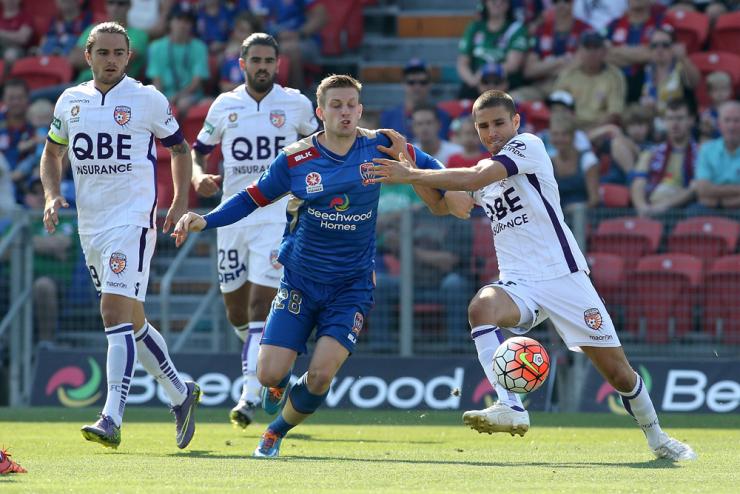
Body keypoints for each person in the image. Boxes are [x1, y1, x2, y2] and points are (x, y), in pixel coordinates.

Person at [368, 89, 697, 462]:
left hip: (564, 278)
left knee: (620, 375)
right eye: (483, 126)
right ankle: (510, 405)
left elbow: (477, 176)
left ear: (515, 123)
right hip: (519, 283)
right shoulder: (481, 177)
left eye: (498, 123)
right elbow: (443, 204)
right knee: (481, 308)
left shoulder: (529, 147)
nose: (492, 132)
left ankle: (658, 438)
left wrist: (412, 168)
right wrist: (408, 161)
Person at [172, 74, 474, 458]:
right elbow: (252, 197)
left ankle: (276, 431)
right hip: (300, 281)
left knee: (319, 375)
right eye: (336, 105)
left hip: (352, 286)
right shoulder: (297, 159)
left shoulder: (381, 145)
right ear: (320, 112)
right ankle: (277, 386)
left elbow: (429, 165)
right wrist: (206, 219)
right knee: (267, 373)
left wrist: (453, 190)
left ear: (360, 110)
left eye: (351, 105)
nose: (345, 112)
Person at [40, 22, 200, 450]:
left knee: (112, 313)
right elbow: (53, 151)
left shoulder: (147, 99)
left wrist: (181, 199)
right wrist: (52, 196)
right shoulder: (70, 100)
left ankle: (111, 416)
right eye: (103, 52)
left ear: (129, 57)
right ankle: (181, 394)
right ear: (87, 55)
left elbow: (180, 149)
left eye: (119, 53)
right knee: (131, 319)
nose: (111, 60)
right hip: (91, 224)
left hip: (132, 219)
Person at [191, 32, 319, 429]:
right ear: (242, 63)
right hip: (233, 216)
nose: (263, 67)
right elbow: (199, 150)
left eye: (269, 61)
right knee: (236, 311)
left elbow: (319, 143)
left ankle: (248, 394)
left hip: (276, 216)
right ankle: (274, 372)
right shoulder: (225, 105)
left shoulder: (295, 103)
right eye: (256, 60)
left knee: (260, 306)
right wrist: (198, 177)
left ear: (277, 65)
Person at [630, 98, 697, 217]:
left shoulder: (701, 153)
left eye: (680, 118)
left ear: (691, 120)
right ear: (664, 122)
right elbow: (638, 183)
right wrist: (642, 207)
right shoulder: (651, 153)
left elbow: (695, 188)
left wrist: (664, 206)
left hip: (680, 209)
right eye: (670, 118)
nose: (674, 124)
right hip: (651, 207)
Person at [554, 31, 627, 129]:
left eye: (596, 48)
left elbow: (614, 113)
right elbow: (557, 106)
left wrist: (591, 132)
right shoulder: (569, 73)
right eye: (587, 48)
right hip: (571, 129)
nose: (591, 53)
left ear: (604, 51)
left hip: (600, 129)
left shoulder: (615, 75)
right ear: (579, 51)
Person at [145, 3, 209, 115]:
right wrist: (161, 101)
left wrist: (177, 97)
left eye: (187, 21)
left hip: (191, 96)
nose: (183, 25)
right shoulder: (156, 47)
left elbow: (196, 83)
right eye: (179, 19)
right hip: (165, 94)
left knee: (191, 103)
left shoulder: (200, 47)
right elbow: (157, 81)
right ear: (170, 22)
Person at [457, 0, 529, 99]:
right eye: (493, 1)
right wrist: (473, 81)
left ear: (508, 4)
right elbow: (462, 63)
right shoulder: (474, 27)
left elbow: (513, 65)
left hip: (505, 84)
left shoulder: (516, 29)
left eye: (502, 1)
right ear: (485, 3)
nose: (498, 3)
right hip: (477, 83)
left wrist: (485, 73)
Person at [70, 0, 149, 82]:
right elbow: (74, 59)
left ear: (129, 6)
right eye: (111, 3)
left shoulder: (139, 35)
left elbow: (121, 60)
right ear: (106, 6)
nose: (115, 7)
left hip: (118, 87)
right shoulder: (92, 29)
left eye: (121, 3)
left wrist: (93, 55)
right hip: (83, 85)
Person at [379, 58, 452, 141]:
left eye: (423, 82)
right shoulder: (388, 116)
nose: (417, 87)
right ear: (403, 83)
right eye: (411, 82)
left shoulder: (443, 116)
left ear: (430, 84)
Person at [639, 26, 700, 117]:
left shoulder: (681, 68)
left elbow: (695, 82)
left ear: (674, 47)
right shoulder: (644, 71)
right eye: (654, 45)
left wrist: (683, 58)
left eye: (665, 45)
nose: (659, 49)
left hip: (677, 122)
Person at [694, 100, 740, 211]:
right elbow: (703, 189)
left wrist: (721, 202)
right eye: (727, 120)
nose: (731, 126)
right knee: (693, 212)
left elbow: (707, 193)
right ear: (719, 125)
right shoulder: (706, 150)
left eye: (737, 120)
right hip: (709, 209)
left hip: (717, 204)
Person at [699, 71, 733, 142]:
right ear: (709, 92)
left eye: (723, 89)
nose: (720, 93)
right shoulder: (706, 115)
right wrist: (707, 130)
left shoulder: (736, 112)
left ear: (730, 90)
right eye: (716, 89)